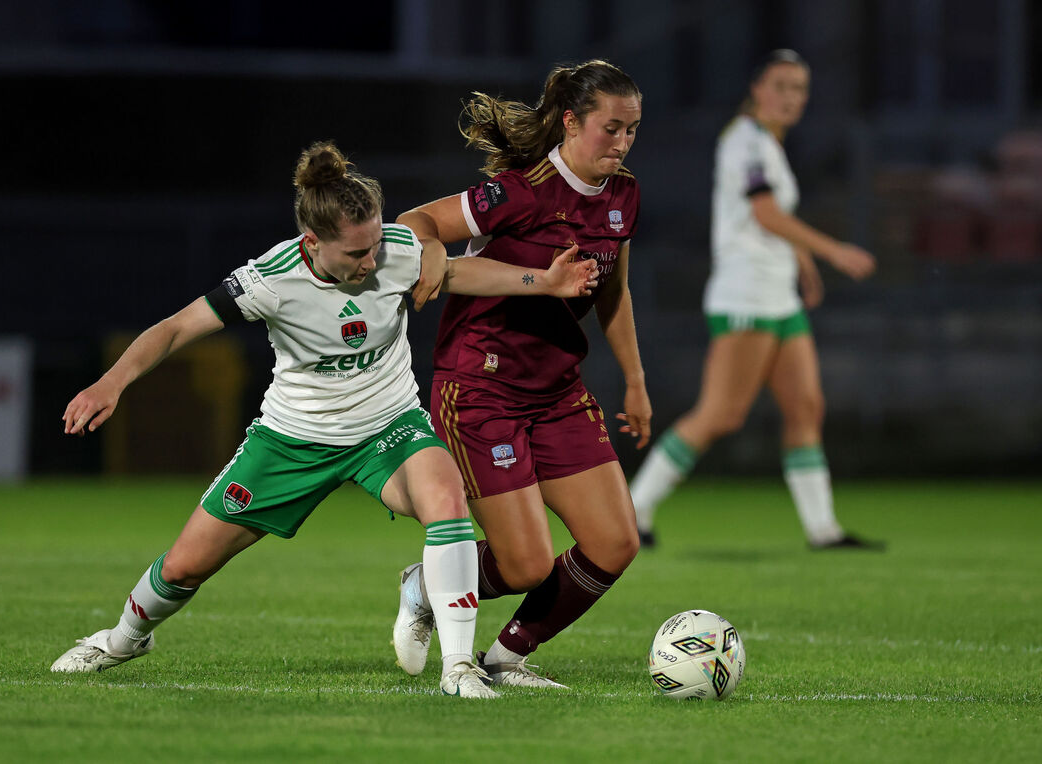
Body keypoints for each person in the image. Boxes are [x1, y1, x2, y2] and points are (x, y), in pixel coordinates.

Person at [49, 141, 600, 700]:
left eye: (378, 243)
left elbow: (461, 273)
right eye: (358, 252)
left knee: (445, 495)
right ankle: (121, 640)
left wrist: (545, 282)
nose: (373, 260)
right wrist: (110, 382)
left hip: (388, 428)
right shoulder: (270, 279)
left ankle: (458, 668)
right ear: (313, 243)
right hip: (293, 440)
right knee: (187, 567)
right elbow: (173, 328)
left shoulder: (394, 251)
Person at [391, 60, 653, 690]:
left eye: (632, 130)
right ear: (570, 121)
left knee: (615, 543)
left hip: (558, 391)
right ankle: (426, 582)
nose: (621, 144)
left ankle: (507, 659)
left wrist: (636, 380)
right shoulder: (522, 190)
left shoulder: (623, 195)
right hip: (480, 388)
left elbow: (614, 286)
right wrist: (430, 250)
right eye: (609, 129)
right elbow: (415, 222)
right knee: (526, 563)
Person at [628, 49, 883, 550]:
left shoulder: (766, 143)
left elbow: (768, 219)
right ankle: (634, 511)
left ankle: (823, 530)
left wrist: (802, 265)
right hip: (746, 292)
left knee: (806, 407)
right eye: (782, 86)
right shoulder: (744, 140)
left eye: (800, 88)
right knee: (721, 413)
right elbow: (765, 214)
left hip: (777, 295)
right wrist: (831, 251)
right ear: (758, 89)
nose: (792, 98)